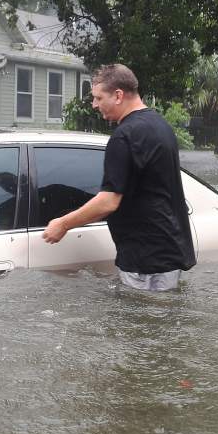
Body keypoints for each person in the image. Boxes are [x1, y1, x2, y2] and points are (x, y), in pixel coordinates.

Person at [42, 63, 196, 291]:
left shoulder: (124, 136)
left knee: (142, 323)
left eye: (97, 97)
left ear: (118, 95)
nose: (94, 105)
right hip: (167, 250)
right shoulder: (160, 125)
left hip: (145, 259)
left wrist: (63, 224)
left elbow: (108, 201)